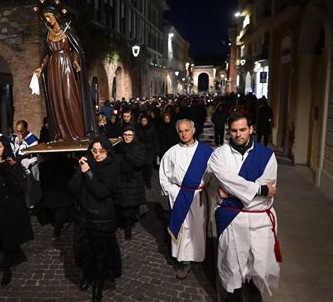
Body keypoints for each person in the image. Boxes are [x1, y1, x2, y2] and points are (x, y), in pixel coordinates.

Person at [208, 112, 280, 301]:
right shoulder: (218, 155)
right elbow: (228, 181)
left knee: (258, 259)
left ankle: (253, 286)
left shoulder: (267, 156)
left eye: (242, 129)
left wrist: (232, 193)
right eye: (234, 131)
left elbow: (239, 189)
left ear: (251, 129)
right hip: (232, 218)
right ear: (228, 132)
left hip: (259, 218)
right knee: (231, 259)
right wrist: (262, 189)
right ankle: (234, 292)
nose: (238, 134)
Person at [34, 0, 98, 141]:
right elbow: (46, 55)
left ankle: (79, 132)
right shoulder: (48, 35)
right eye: (45, 18)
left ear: (56, 15)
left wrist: (75, 61)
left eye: (49, 16)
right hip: (53, 69)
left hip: (67, 66)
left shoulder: (68, 29)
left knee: (70, 97)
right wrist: (41, 67)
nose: (48, 20)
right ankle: (62, 133)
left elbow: (76, 50)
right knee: (57, 99)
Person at [69, 136, 121, 302]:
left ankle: (98, 282)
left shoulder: (112, 166)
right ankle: (87, 274)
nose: (98, 155)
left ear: (107, 151)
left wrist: (89, 173)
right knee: (83, 250)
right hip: (82, 216)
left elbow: (101, 192)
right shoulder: (85, 164)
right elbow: (72, 188)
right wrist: (79, 171)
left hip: (101, 218)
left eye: (102, 151)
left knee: (100, 253)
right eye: (94, 151)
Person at [159, 119, 213, 280]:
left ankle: (198, 255)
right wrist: (172, 191)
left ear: (193, 130)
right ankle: (185, 261)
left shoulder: (206, 151)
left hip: (199, 196)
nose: (184, 134)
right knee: (183, 228)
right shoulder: (171, 152)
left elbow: (215, 175)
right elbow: (164, 174)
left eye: (187, 130)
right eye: (181, 131)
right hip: (180, 195)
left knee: (198, 227)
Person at [0, 136, 34, 287]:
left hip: (10, 208)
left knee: (8, 239)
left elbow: (18, 187)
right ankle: (17, 254)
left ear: (5, 149)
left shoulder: (12, 164)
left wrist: (6, 168)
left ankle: (7, 268)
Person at [114, 126, 146, 240]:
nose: (127, 137)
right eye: (125, 135)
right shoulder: (118, 147)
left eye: (129, 135)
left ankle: (128, 229)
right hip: (120, 180)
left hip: (133, 181)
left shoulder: (139, 147)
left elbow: (138, 162)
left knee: (130, 207)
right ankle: (121, 223)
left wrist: (126, 153)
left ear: (134, 136)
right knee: (120, 204)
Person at [10, 120, 40, 208]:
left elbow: (26, 153)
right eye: (17, 131)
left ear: (26, 129)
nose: (19, 133)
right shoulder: (15, 138)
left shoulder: (33, 139)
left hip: (28, 166)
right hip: (16, 166)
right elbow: (13, 151)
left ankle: (28, 205)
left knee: (28, 188)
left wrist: (21, 142)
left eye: (21, 131)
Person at [137, 115, 158, 189]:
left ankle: (148, 181)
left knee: (149, 166)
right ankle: (143, 181)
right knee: (143, 166)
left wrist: (156, 150)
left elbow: (155, 138)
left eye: (145, 120)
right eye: (142, 120)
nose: (144, 122)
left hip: (149, 149)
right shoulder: (138, 128)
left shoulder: (151, 128)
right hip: (141, 149)